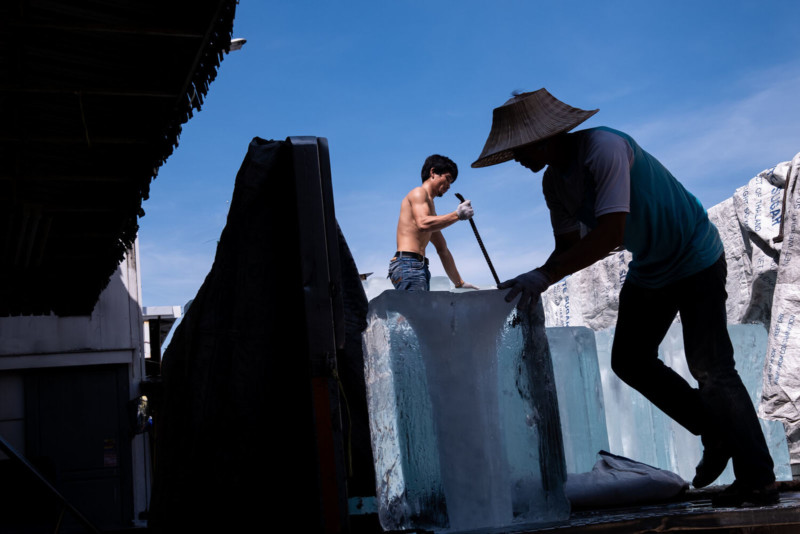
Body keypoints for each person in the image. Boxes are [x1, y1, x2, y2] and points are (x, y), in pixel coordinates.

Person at [472, 88, 777, 507]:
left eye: (518, 149)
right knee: (629, 360)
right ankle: (715, 430)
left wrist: (544, 276)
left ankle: (758, 479)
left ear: (544, 138)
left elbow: (611, 233)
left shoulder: (605, 148)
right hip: (652, 266)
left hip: (695, 254)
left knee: (712, 368)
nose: (516, 158)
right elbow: (566, 248)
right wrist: (530, 279)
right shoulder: (553, 184)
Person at [389, 154, 479, 291]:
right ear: (433, 172)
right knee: (415, 312)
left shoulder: (430, 210)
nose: (449, 186)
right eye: (447, 179)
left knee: (418, 312)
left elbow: (442, 249)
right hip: (409, 265)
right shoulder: (418, 193)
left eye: (451, 182)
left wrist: (459, 283)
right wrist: (457, 215)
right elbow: (423, 224)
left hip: (418, 267)